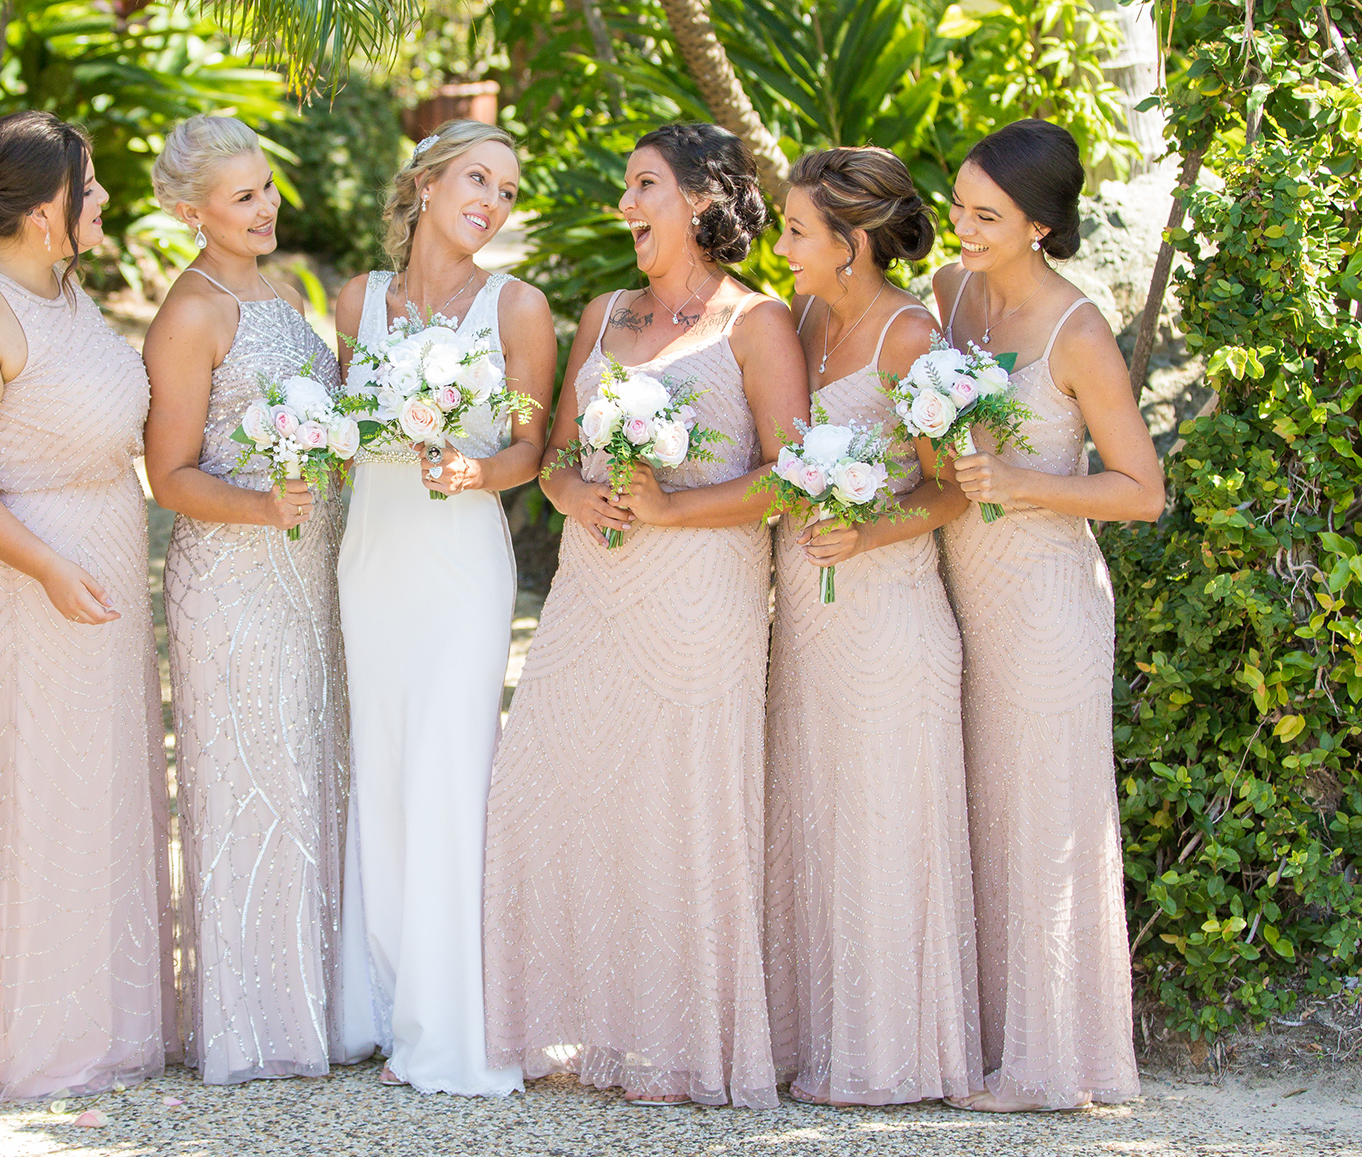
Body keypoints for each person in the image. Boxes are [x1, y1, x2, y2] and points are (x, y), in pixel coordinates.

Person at [481, 122, 808, 1109]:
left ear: (701, 201)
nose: (625, 205)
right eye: (627, 187)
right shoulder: (603, 312)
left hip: (699, 592)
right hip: (593, 585)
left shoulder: (756, 323)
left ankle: (682, 1041)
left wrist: (674, 509)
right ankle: (553, 1014)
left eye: (643, 185)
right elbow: (553, 455)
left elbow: (792, 478)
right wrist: (569, 493)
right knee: (538, 781)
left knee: (680, 803)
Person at [0, 111, 177, 1098]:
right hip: (21, 577)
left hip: (99, 560)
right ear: (38, 210)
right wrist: (48, 567)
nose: (103, 198)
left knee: (99, 782)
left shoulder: (63, 287)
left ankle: (102, 1020)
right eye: (89, 185)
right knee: (34, 785)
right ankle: (25, 1037)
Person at [932, 118, 1164, 1112]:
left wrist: (1020, 482)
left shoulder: (1077, 334)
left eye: (985, 216)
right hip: (957, 588)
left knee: (1042, 818)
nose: (962, 228)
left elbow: (1140, 491)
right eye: (956, 207)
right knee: (979, 808)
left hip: (1043, 601)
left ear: (1038, 225)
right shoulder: (951, 294)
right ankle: (984, 1037)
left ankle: (1050, 1060)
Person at [143, 115, 373, 1083]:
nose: (265, 206)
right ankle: (251, 1029)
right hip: (230, 580)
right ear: (191, 212)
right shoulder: (189, 314)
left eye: (267, 186)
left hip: (306, 575)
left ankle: (316, 1007)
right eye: (242, 197)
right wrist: (258, 504)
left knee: (309, 769)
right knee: (249, 781)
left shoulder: (280, 289)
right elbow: (166, 474)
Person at [332, 119, 555, 1096]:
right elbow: (338, 424)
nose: (493, 201)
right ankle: (382, 1011)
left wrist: (475, 471)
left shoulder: (517, 307)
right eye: (478, 177)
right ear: (423, 184)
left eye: (507, 190)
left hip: (462, 563)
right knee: (379, 766)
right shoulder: (356, 301)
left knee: (448, 770)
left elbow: (529, 453)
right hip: (370, 555)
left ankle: (452, 1028)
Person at [763, 147, 981, 1106]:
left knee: (883, 823)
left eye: (797, 231)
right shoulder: (802, 317)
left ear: (852, 244)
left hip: (890, 616)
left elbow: (953, 491)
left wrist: (866, 529)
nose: (781, 245)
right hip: (806, 617)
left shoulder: (911, 339)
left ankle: (891, 1052)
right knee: (814, 813)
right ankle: (816, 1035)